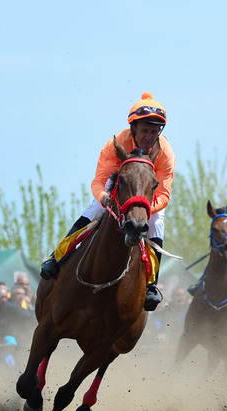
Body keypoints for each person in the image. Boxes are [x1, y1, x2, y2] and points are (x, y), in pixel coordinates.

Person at [40, 92, 175, 311]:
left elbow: (163, 195)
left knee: (157, 223)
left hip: (147, 195)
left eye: (154, 131)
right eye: (145, 131)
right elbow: (100, 181)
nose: (149, 136)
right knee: (94, 209)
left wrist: (141, 208)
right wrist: (105, 199)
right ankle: (57, 258)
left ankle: (151, 285)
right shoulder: (116, 143)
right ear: (133, 129)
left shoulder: (165, 153)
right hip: (120, 183)